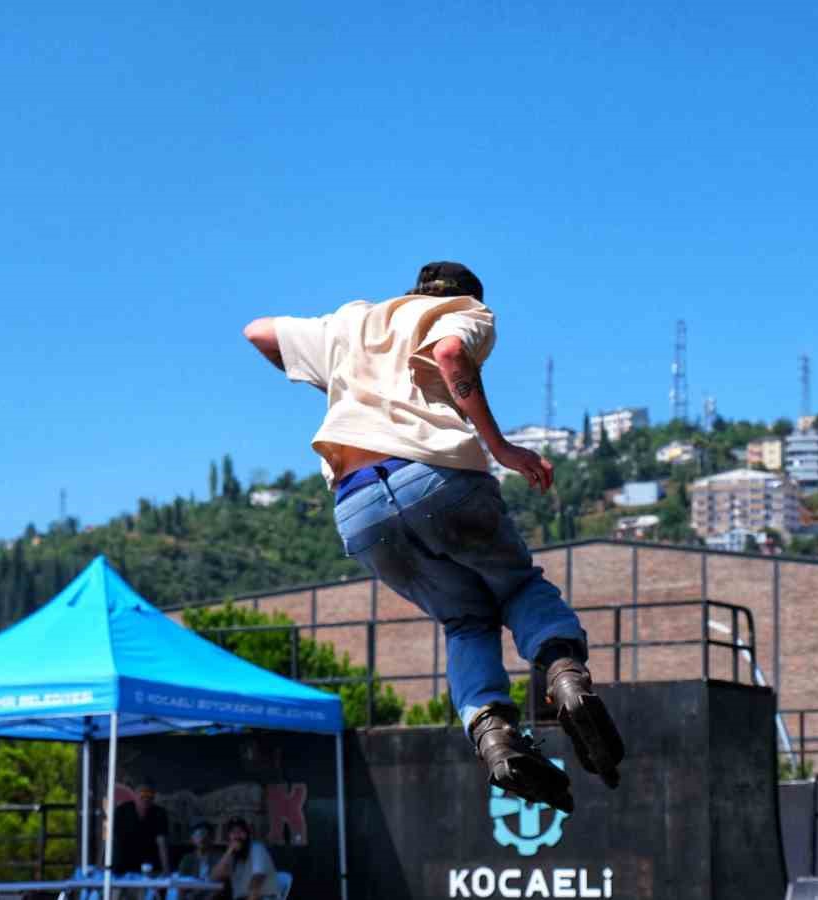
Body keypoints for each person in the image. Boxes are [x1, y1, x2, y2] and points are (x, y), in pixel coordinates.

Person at [242, 261, 625, 812]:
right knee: (517, 588)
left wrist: (341, 378)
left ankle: (494, 740)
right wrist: (500, 447)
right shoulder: (465, 311)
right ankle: (565, 675)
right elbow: (450, 354)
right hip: (437, 480)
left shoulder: (351, 324)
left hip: (359, 509)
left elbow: (258, 331)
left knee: (466, 619)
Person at [111, 780, 170, 875]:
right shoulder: (122, 811)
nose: (146, 798)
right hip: (123, 864)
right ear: (135, 795)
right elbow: (110, 838)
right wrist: (101, 865)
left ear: (154, 797)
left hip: (149, 866)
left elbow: (162, 842)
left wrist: (166, 870)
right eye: (142, 793)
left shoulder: (159, 813)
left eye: (149, 794)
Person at [210, 818, 277, 900]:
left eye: (241, 832)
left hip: (262, 897)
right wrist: (228, 852)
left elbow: (257, 880)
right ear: (229, 837)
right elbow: (214, 877)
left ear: (248, 834)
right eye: (233, 832)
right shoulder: (232, 855)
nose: (237, 835)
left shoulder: (257, 849)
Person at [177, 823, 226, 897]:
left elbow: (221, 883)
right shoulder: (187, 859)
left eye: (205, 835)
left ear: (212, 838)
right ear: (192, 839)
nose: (202, 838)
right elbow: (181, 884)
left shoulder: (219, 858)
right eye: (198, 835)